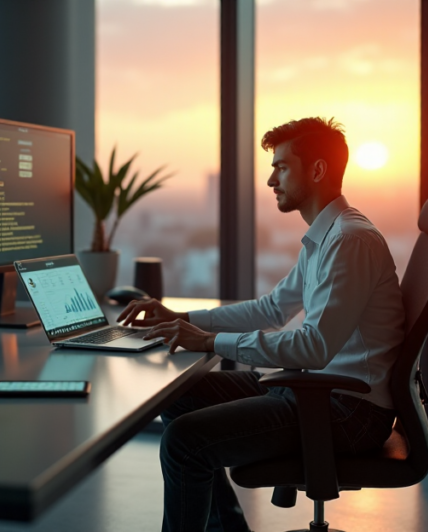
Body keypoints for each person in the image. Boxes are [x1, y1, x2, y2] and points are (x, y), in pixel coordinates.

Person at [117, 117, 406, 532]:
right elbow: (272, 309)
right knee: (181, 395)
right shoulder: (325, 238)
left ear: (318, 170)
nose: (271, 179)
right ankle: (227, 528)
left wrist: (212, 342)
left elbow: (313, 347)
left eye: (282, 167)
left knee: (184, 443)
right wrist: (182, 319)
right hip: (320, 389)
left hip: (348, 410)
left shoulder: (348, 240)